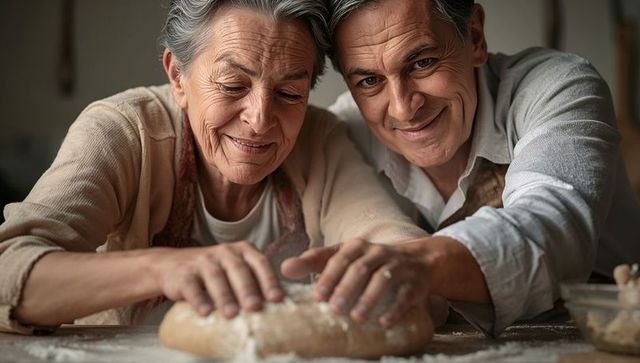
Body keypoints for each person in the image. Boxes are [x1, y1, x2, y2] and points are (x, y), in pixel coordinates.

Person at [0, 0, 428, 334]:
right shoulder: (124, 132)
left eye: (290, 93)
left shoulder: (319, 139)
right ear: (178, 77)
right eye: (232, 85)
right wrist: (163, 268)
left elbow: (407, 259)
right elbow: (10, 271)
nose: (260, 119)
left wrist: (391, 271)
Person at [281, 0, 640, 337]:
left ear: (474, 37)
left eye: (422, 63)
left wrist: (420, 262)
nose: (404, 108)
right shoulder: (345, 131)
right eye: (370, 81)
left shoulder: (557, 87)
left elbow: (553, 227)